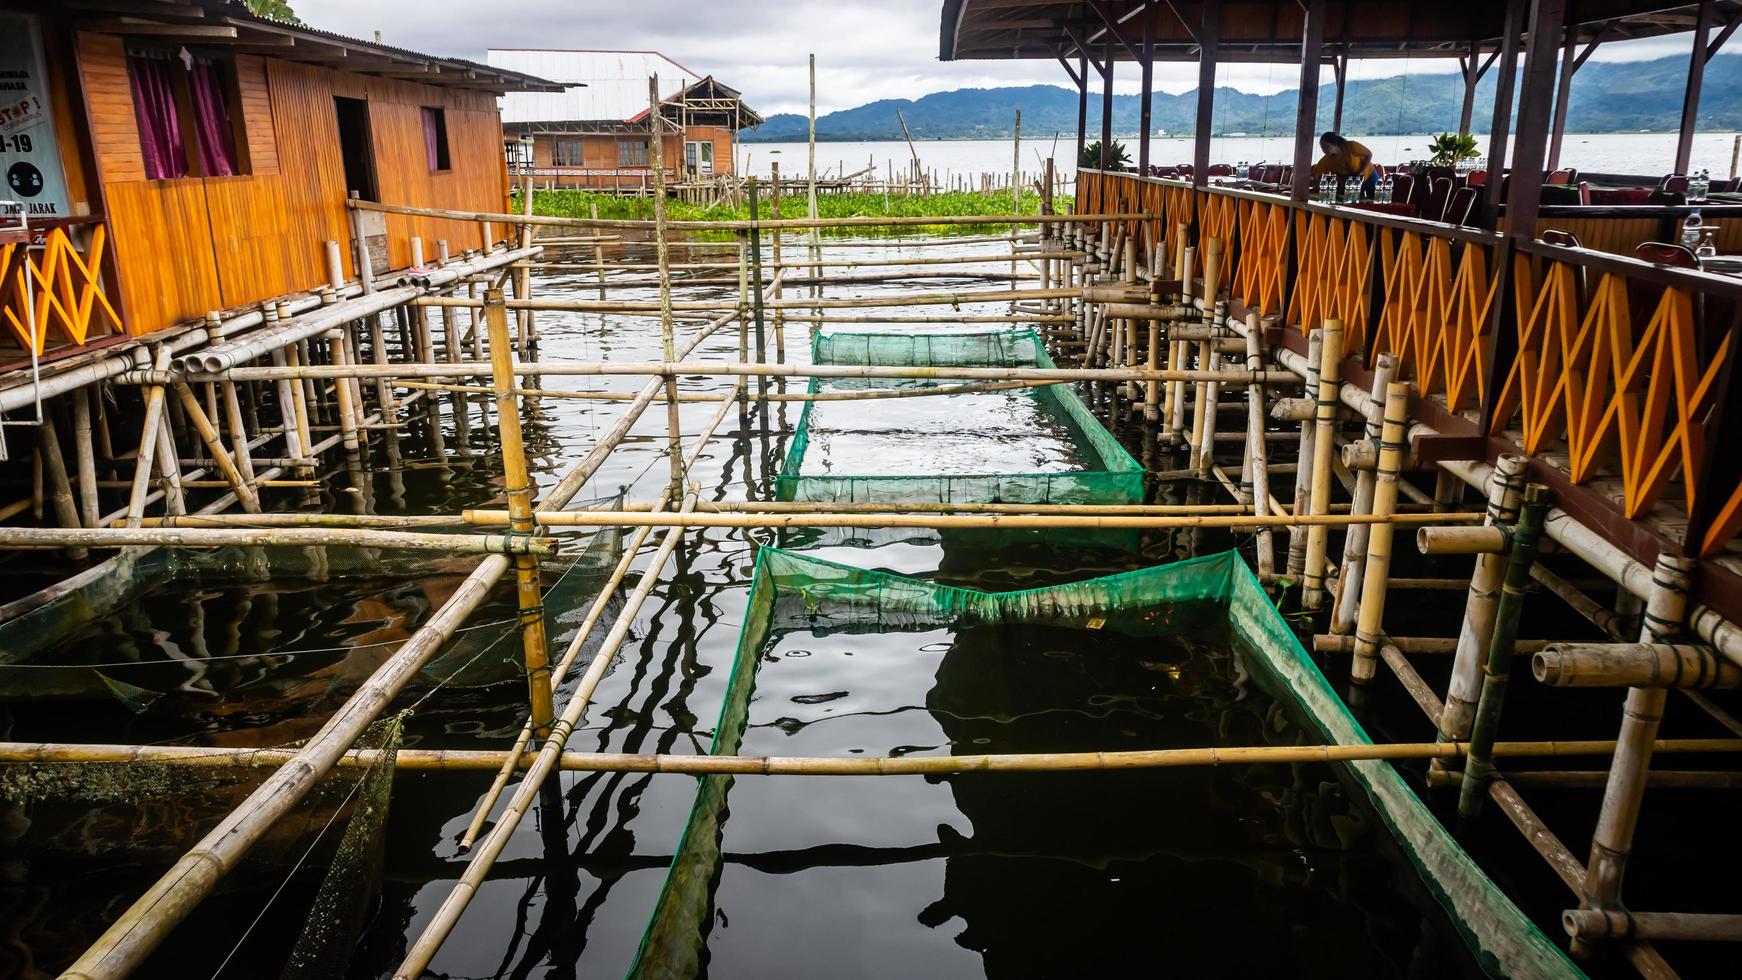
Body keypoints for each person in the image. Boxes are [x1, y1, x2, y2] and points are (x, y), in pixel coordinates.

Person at [1312, 132, 1377, 199]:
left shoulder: (1351, 146)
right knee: (1352, 202)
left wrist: (1361, 172)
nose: (1324, 150)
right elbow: (1316, 174)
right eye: (1322, 148)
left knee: (1376, 199)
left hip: (1369, 175)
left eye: (1326, 147)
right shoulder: (1326, 160)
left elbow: (1369, 154)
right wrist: (1317, 183)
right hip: (1351, 182)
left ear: (1335, 144)